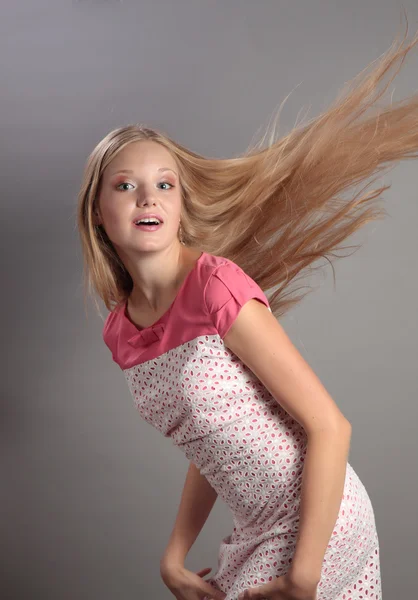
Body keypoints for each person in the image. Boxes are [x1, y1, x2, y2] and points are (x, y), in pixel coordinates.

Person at [77, 28, 418, 600]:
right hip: (256, 530)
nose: (148, 197)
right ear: (98, 212)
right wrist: (174, 556)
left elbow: (331, 426)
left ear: (182, 206)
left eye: (165, 184)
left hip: (319, 522)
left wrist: (303, 578)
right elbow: (209, 441)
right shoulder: (121, 330)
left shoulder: (216, 286)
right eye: (126, 185)